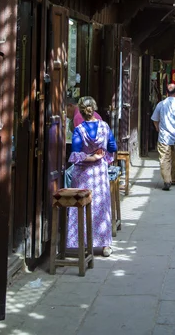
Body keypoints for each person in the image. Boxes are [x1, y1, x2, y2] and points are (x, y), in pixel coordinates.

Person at [67, 96, 117, 257]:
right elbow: (112, 147)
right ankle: (105, 245)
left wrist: (89, 157)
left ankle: (80, 242)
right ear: (94, 109)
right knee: (101, 206)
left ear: (81, 110)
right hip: (99, 173)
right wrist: (100, 157)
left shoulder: (79, 129)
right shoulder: (105, 127)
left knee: (81, 206)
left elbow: (75, 154)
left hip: (83, 174)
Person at [151, 83, 175, 191]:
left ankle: (167, 181)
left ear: (166, 92)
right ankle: (174, 179)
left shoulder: (161, 104)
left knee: (164, 159)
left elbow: (154, 119)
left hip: (164, 137)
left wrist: (158, 128)